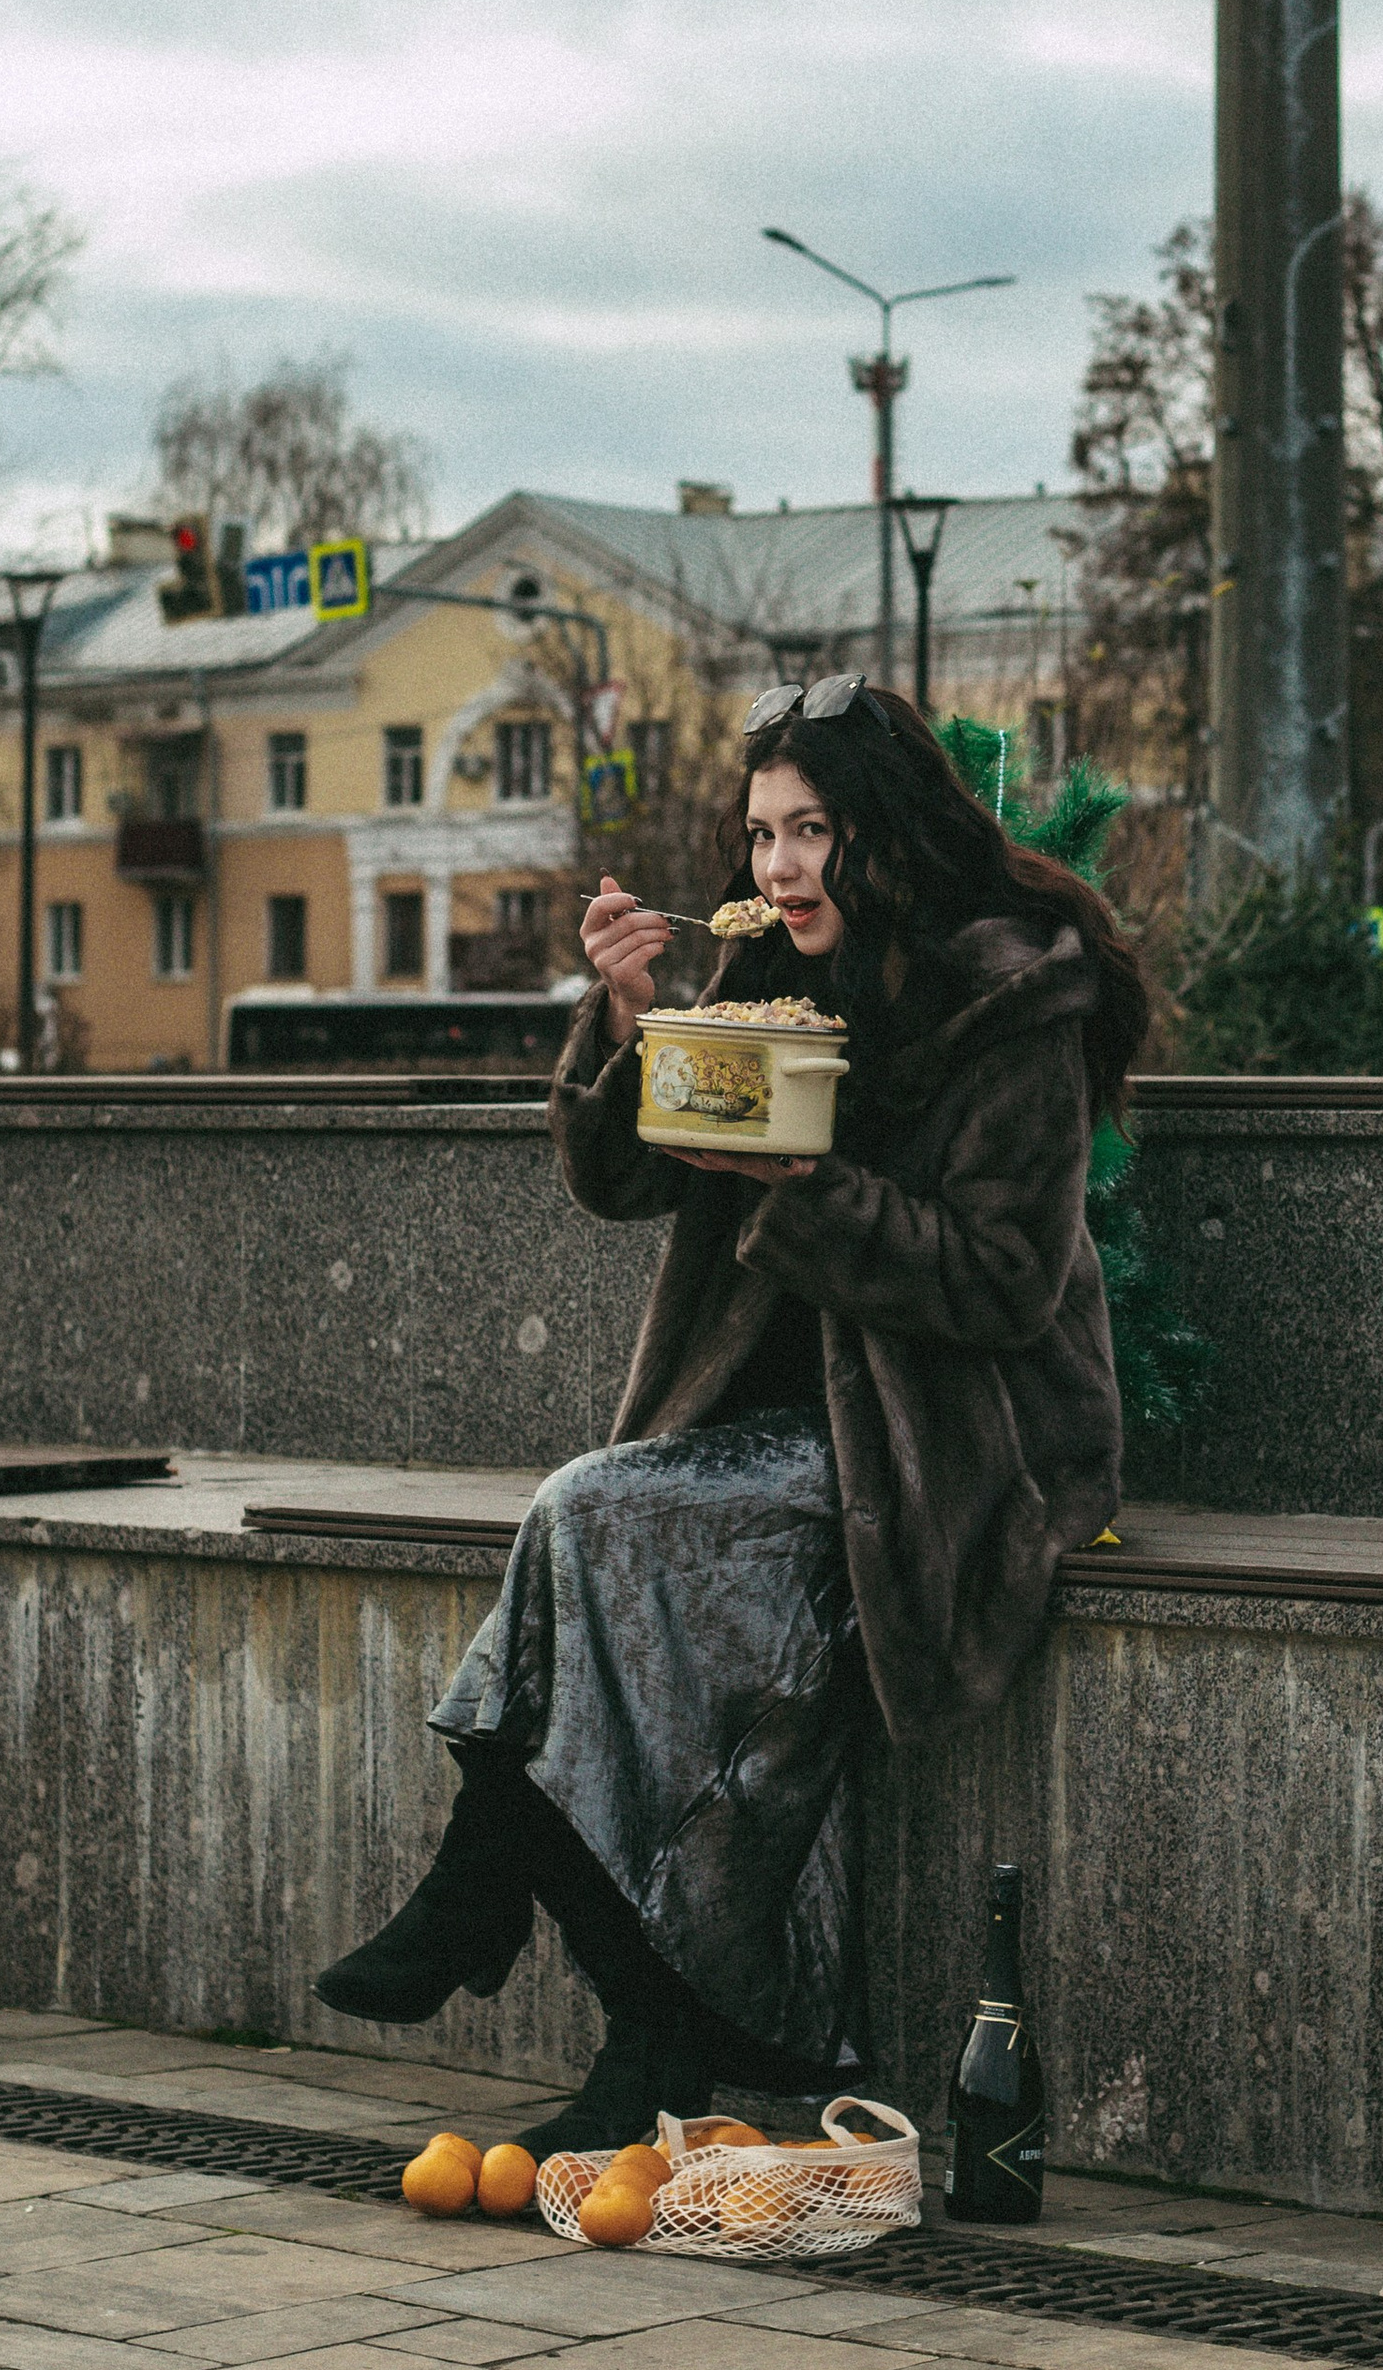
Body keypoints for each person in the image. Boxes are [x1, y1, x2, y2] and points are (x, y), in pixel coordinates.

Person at [315, 674, 1149, 2144]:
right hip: (773, 1429)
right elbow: (621, 1178)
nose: (780, 867)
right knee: (597, 1533)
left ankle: (488, 1879)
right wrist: (628, 1015)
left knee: (588, 1511)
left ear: (887, 831)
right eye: (762, 835)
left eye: (812, 830)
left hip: (956, 1439)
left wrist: (803, 1189)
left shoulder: (1009, 1001)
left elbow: (1006, 1281)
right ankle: (618, 2017)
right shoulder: (768, 982)